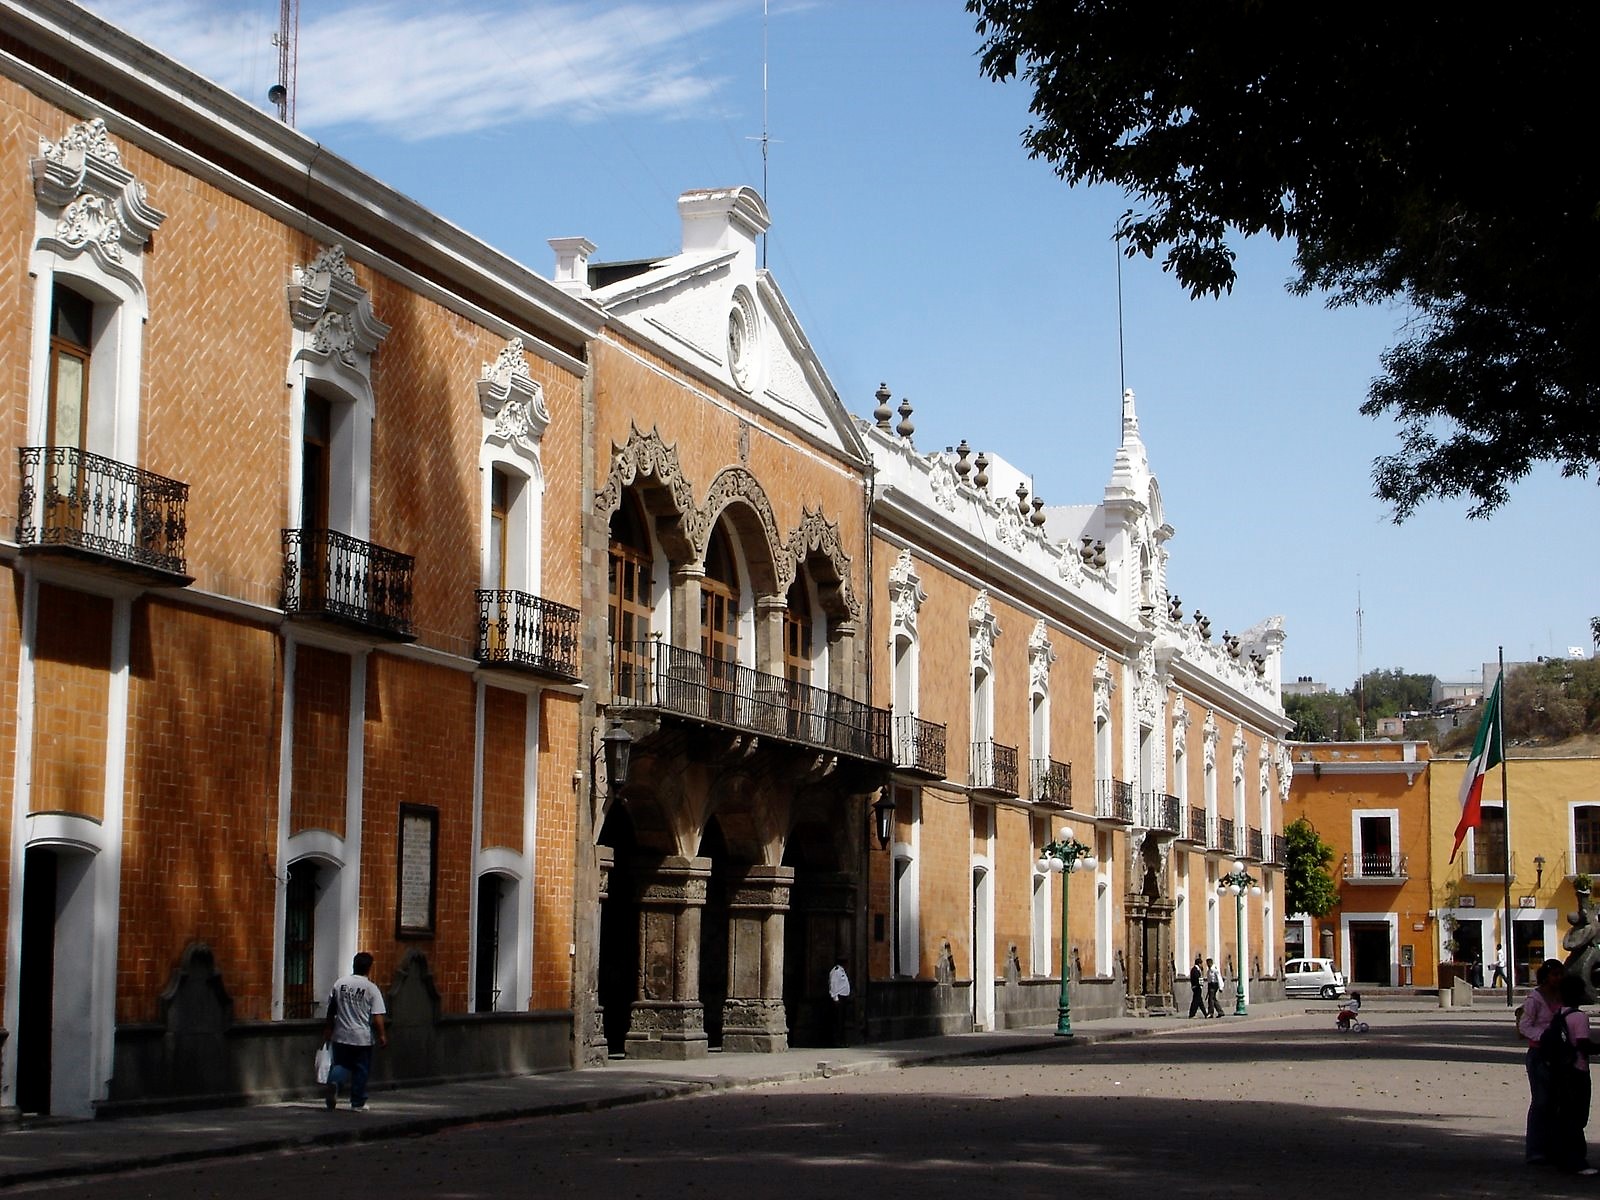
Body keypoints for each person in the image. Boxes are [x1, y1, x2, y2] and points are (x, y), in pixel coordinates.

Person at [322, 952, 388, 1112]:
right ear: (369, 968)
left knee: (341, 1064)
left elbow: (331, 1010)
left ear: (354, 965)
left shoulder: (340, 984)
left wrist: (329, 1029)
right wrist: (382, 1035)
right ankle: (357, 1102)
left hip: (341, 1034)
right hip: (362, 1037)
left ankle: (334, 1082)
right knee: (360, 1069)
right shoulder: (371, 988)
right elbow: (377, 1015)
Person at [1517, 958, 1568, 1164]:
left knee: (1557, 1101)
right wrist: (1544, 1036)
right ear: (1546, 976)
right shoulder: (1535, 998)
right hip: (1539, 1053)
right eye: (1555, 975)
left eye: (1560, 974)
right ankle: (1535, 1149)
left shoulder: (1563, 996)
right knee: (1541, 1101)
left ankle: (1554, 1146)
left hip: (1560, 1053)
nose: (1558, 979)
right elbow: (1525, 1026)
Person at [1550, 974, 1600, 1174]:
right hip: (1578, 1069)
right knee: (1578, 1116)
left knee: (1564, 1114)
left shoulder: (1559, 1014)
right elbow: (1583, 1045)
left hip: (1561, 1069)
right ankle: (1577, 1159)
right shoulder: (1579, 1017)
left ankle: (1562, 1157)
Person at [827, 959, 851, 1046]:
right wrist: (835, 998)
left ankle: (842, 1041)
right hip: (839, 998)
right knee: (838, 1021)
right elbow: (833, 984)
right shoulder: (836, 971)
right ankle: (837, 1041)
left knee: (842, 1021)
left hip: (843, 997)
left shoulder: (842, 971)